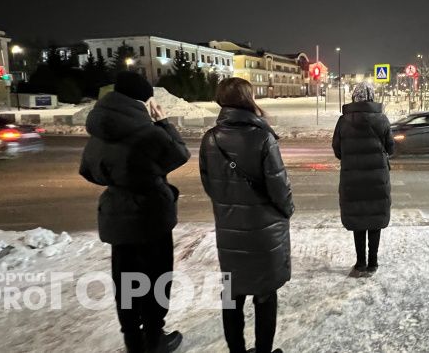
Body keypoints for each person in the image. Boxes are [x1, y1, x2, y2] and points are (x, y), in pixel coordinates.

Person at [79, 71, 190, 353]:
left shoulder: (100, 129)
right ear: (142, 100)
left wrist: (119, 181)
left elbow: (88, 170)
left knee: (126, 281)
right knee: (156, 279)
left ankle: (132, 341)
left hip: (115, 215)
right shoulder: (147, 132)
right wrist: (163, 122)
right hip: (150, 215)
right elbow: (179, 154)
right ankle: (154, 339)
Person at [199, 77, 293, 353]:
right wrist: (287, 210)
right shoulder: (263, 137)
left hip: (229, 231)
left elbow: (210, 186)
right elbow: (279, 187)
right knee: (265, 295)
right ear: (248, 99)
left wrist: (228, 206)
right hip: (264, 232)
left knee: (232, 293)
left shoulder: (210, 139)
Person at [332, 82, 395, 278]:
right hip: (377, 180)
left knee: (358, 220)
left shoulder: (343, 121)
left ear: (354, 98)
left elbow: (337, 150)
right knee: (374, 220)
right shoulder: (382, 119)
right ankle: (373, 263)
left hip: (352, 179)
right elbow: (391, 148)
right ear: (371, 97)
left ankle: (360, 263)